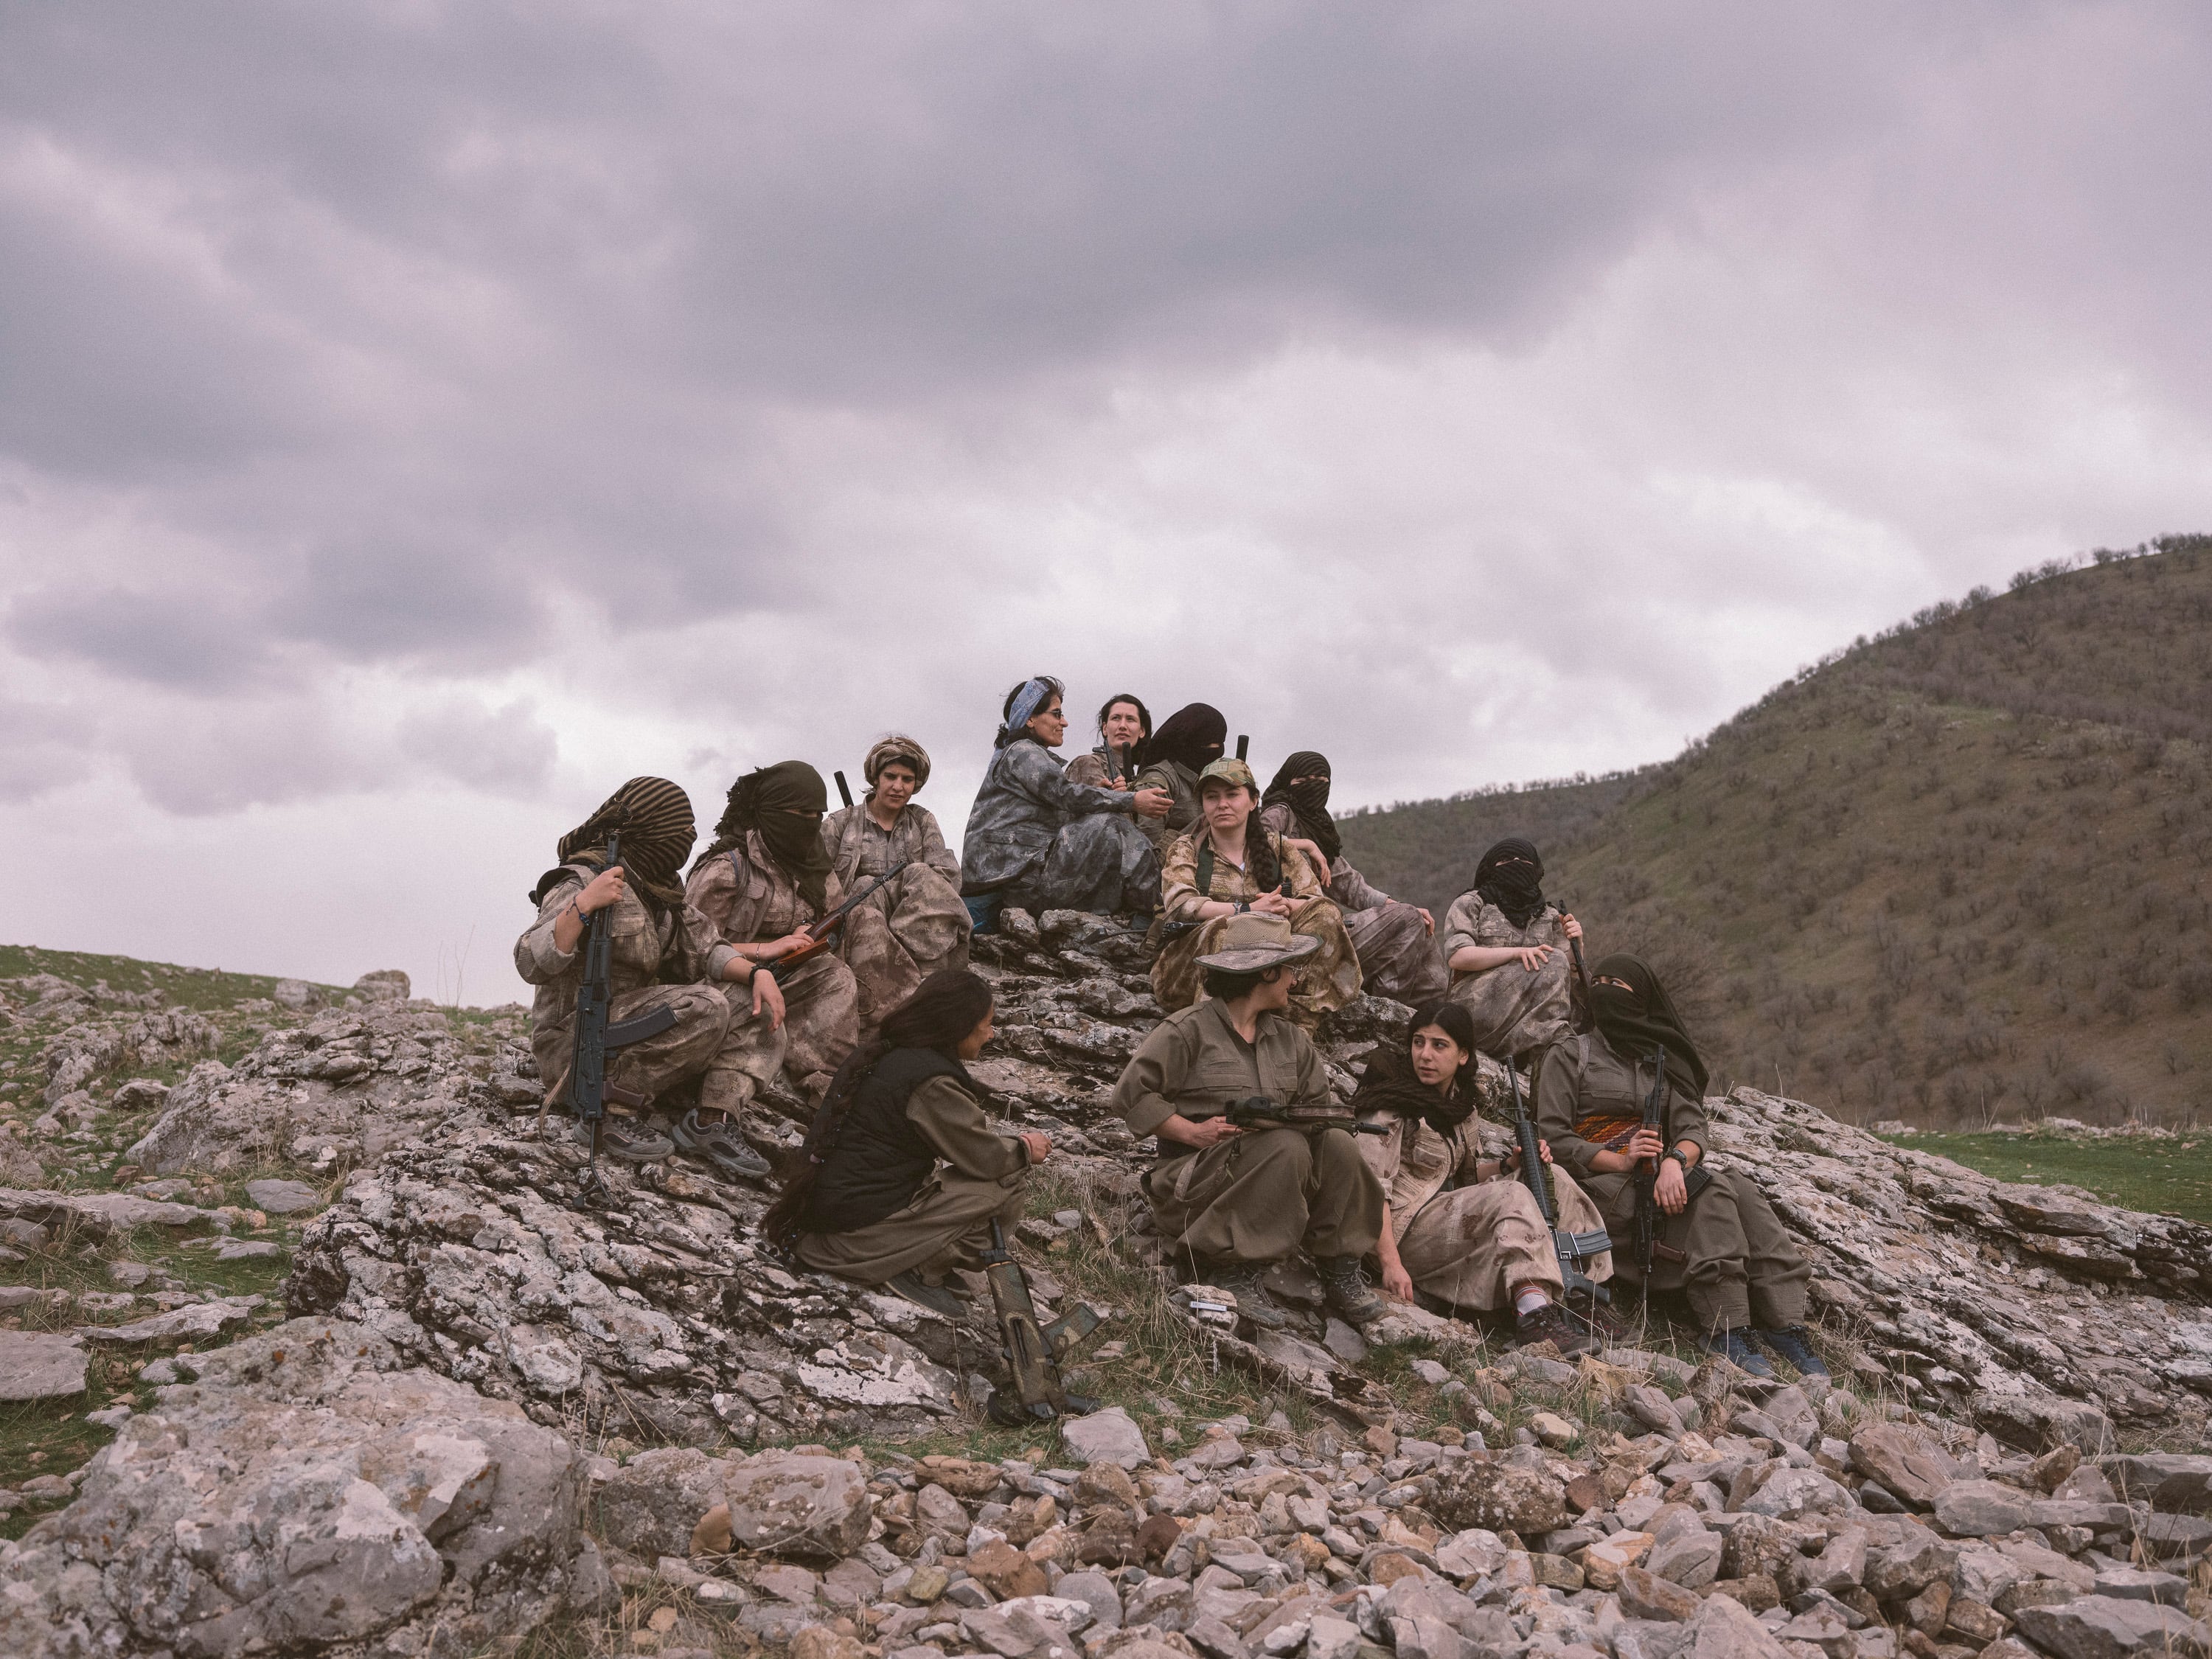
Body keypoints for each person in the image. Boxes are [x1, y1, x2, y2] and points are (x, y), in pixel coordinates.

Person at [1534, 954, 1825, 1380]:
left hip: (1658, 1175)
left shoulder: (1665, 1061)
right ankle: (1726, 1327)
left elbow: (1692, 1127)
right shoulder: (1568, 1054)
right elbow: (1554, 1137)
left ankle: (1784, 1322)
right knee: (1714, 1192)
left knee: (1739, 1186)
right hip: (1599, 1186)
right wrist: (1622, 1158)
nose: (1604, 990)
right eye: (1599, 982)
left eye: (1618, 983)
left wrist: (1674, 1161)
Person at [1113, 912, 1386, 1331]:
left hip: (1272, 1174)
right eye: (1289, 970)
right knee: (1287, 1147)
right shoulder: (1188, 1031)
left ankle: (1338, 1263)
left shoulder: (1292, 1041)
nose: (1295, 980)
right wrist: (1191, 1131)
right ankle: (1232, 1270)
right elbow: (1130, 1094)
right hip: (1194, 1182)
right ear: (1268, 972)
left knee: (1337, 1144)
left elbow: (1316, 1109)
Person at [515, 776, 787, 1171]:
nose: (688, 838)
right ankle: (611, 1108)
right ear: (651, 830)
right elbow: (529, 960)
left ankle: (713, 1119)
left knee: (756, 1004)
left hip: (631, 1030)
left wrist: (757, 972)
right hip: (574, 1046)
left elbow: (708, 948)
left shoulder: (661, 892)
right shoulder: (583, 880)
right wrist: (583, 906)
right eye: (679, 829)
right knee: (705, 1006)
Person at [768, 970, 1043, 1317]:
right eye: (987, 1024)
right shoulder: (930, 1081)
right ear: (959, 1026)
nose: (991, 1034)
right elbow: (986, 1160)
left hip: (816, 1226)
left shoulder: (885, 1053)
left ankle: (907, 1255)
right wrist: (1025, 1148)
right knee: (1007, 1182)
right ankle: (921, 1267)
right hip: (843, 1244)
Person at [1351, 1002, 1608, 1355]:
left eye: (1439, 1045)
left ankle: (1581, 1297)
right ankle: (1535, 1316)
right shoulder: (1390, 1104)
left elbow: (1463, 1180)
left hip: (1442, 1223)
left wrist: (1508, 1165)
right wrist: (1391, 1265)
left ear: (1462, 1056)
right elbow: (1370, 1189)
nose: (1425, 1055)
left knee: (1551, 1177)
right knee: (1511, 1196)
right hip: (1398, 1233)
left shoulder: (1459, 1107)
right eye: (1418, 1042)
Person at [686, 762, 862, 1133]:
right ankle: (714, 1114)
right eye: (801, 814)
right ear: (773, 812)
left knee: (835, 974)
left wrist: (809, 938)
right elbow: (690, 950)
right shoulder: (726, 868)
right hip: (723, 982)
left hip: (787, 975)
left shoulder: (815, 867)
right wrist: (765, 951)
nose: (811, 823)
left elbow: (834, 919)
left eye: (818, 814)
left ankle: (824, 1083)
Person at [1152, 758, 1361, 1026]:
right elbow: (1181, 905)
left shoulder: (1280, 849)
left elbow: (1314, 900)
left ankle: (1295, 1020)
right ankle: (1214, 1033)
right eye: (1212, 797)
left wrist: (1283, 904)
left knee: (1327, 914)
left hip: (1264, 964)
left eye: (1232, 795)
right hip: (1189, 972)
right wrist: (1247, 911)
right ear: (1203, 804)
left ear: (1253, 801)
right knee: (1224, 929)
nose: (1222, 804)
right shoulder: (1187, 848)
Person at [960, 675, 1169, 919]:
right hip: (1016, 882)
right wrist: (1131, 800)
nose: (1065, 722)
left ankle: (1135, 913)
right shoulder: (1022, 752)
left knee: (1105, 831)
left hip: (1018, 878)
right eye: (1056, 714)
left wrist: (1106, 799)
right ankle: (1154, 915)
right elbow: (1065, 793)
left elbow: (1054, 818)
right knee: (1114, 825)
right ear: (1030, 718)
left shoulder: (1020, 756)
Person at [1260, 751, 1447, 1006]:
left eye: (1322, 779)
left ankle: (1439, 1016)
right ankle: (1385, 1012)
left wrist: (1397, 906)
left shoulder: (1318, 825)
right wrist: (1305, 845)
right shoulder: (1279, 813)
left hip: (1327, 926)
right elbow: (1256, 844)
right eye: (1305, 779)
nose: (1315, 784)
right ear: (1289, 780)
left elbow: (1348, 883)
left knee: (1418, 926)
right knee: (1407, 921)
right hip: (1295, 931)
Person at [821, 735, 972, 1037]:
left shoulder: (922, 821)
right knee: (867, 884)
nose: (898, 786)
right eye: (890, 776)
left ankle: (926, 989)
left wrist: (903, 897)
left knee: (920, 873)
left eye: (907, 779)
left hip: (915, 930)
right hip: (860, 932)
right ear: (875, 778)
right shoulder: (840, 823)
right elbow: (818, 882)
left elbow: (946, 877)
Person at [1440, 838, 1587, 1060]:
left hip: (1531, 1011)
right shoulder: (1472, 902)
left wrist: (1578, 944)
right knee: (1553, 960)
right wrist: (1517, 954)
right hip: (1476, 1006)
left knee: (1595, 992)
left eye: (1524, 861)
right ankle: (1553, 1053)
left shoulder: (1550, 916)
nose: (1516, 864)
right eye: (1506, 860)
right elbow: (1458, 956)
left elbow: (1564, 974)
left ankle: (1542, 1055)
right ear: (1491, 867)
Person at [1131, 702, 1226, 848]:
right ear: (1191, 742)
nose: (1216, 750)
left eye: (1220, 743)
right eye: (1208, 744)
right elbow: (1148, 846)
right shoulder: (1160, 780)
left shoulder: (1213, 775)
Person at [1064, 693, 1152, 790]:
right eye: (1116, 718)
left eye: (1130, 719)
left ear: (1142, 731)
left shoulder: (1139, 776)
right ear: (1105, 728)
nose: (1122, 726)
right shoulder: (1088, 763)